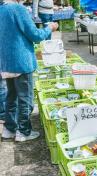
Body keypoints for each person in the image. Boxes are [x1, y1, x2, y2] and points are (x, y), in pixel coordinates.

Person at [0, 0, 58, 142]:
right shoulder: (18, 9)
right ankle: (24, 131)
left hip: (6, 61)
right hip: (21, 61)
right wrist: (49, 28)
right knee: (25, 98)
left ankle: (9, 129)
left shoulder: (2, 9)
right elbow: (35, 36)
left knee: (11, 96)